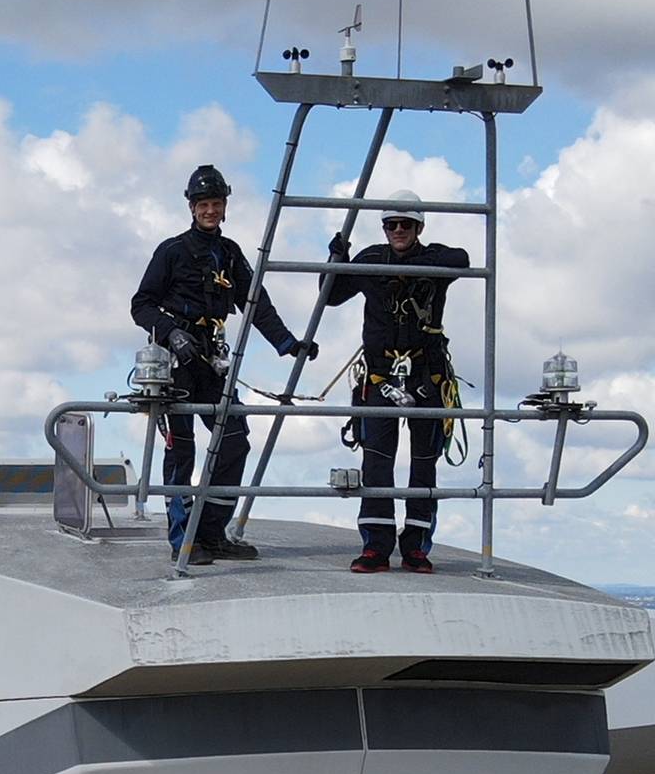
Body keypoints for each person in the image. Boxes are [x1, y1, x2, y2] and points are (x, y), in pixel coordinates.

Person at [131, 165, 316, 564]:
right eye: (204, 204)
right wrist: (171, 333)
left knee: (234, 442)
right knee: (182, 452)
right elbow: (141, 304)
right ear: (192, 207)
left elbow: (255, 304)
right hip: (178, 364)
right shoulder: (171, 251)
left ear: (225, 206)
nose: (210, 211)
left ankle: (211, 534)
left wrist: (288, 344)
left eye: (216, 204)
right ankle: (183, 541)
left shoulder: (229, 254)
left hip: (213, 362)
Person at [323, 190, 468, 572]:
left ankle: (417, 547)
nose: (398, 230)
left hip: (425, 374)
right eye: (391, 224)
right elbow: (331, 296)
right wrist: (337, 259)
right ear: (384, 228)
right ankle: (376, 547)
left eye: (406, 224)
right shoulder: (371, 260)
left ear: (419, 227)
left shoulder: (434, 259)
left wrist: (416, 266)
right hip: (381, 374)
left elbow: (462, 260)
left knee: (424, 464)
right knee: (377, 463)